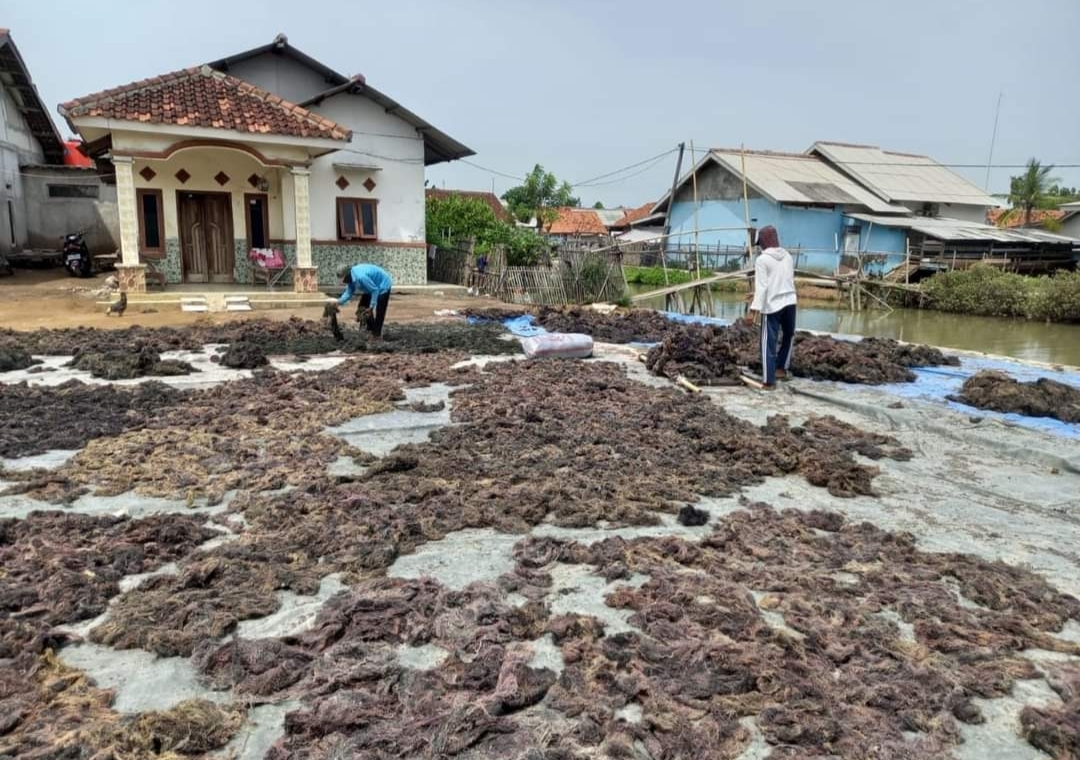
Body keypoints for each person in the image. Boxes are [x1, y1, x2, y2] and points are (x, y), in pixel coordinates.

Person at [743, 226, 797, 389]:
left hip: (772, 305)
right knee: (789, 335)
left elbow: (763, 287)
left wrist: (753, 311)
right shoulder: (787, 255)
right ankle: (781, 369)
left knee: (768, 343)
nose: (760, 246)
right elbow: (782, 280)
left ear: (764, 242)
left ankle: (768, 381)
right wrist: (756, 295)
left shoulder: (762, 260)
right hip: (790, 301)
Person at [336, 263, 393, 339]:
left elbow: (375, 290)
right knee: (362, 308)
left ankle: (377, 334)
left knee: (380, 312)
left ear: (348, 275)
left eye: (343, 279)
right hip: (371, 287)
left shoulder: (361, 277)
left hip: (382, 285)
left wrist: (372, 306)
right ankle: (370, 329)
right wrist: (338, 302)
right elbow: (349, 292)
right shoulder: (350, 278)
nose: (343, 282)